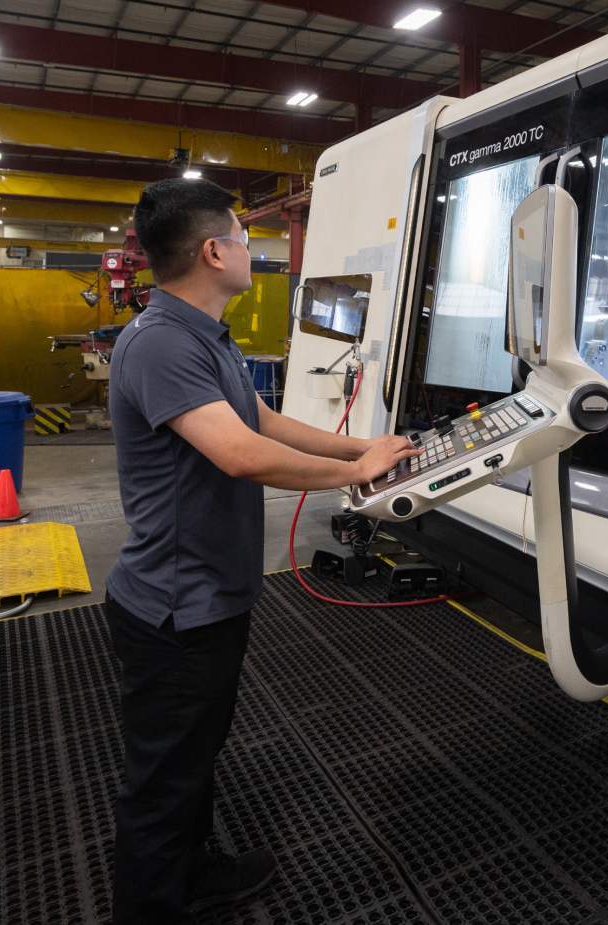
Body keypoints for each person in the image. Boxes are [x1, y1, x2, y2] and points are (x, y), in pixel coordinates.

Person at [105, 177, 419, 925]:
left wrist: (363, 446)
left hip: (209, 595)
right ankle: (149, 907)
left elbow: (263, 421)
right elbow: (241, 454)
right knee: (164, 778)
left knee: (194, 754)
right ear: (214, 251)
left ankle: (195, 871)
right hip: (174, 609)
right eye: (246, 239)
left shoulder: (201, 335)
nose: (254, 251)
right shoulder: (159, 344)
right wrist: (352, 474)